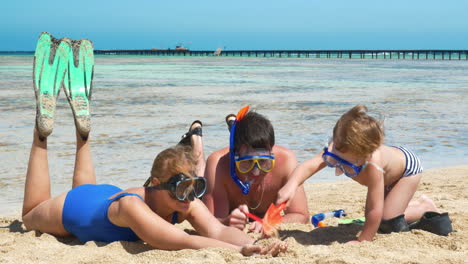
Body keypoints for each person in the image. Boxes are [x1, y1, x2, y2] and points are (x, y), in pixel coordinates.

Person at [22, 33, 287, 256]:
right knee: (29, 214)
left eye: (193, 187)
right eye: (181, 189)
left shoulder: (182, 200)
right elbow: (182, 241)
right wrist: (239, 252)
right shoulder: (131, 207)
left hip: (99, 195)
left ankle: (83, 134)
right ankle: (40, 135)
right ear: (156, 184)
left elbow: (218, 231)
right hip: (73, 208)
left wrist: (254, 244)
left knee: (87, 188)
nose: (188, 197)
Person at [276, 104, 452, 242]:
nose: (335, 154)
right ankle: (409, 205)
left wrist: (363, 240)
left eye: (343, 157)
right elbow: (308, 166)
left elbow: (373, 209)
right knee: (385, 214)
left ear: (363, 157)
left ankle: (423, 206)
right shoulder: (338, 147)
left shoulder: (374, 165)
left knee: (387, 221)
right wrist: (291, 186)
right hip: (390, 170)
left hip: (406, 170)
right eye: (335, 147)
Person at [203, 106, 309, 233]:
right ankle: (196, 139)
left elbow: (301, 215)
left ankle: (233, 125)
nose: (256, 172)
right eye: (246, 163)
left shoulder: (286, 161)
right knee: (199, 170)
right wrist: (226, 222)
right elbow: (209, 221)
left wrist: (272, 222)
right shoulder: (218, 165)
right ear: (234, 157)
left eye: (264, 162)